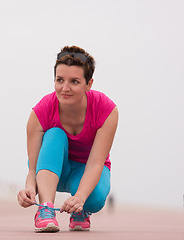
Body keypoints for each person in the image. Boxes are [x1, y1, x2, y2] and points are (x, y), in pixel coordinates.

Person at [17, 45, 118, 232]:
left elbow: (96, 163)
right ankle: (46, 210)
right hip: (53, 169)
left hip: (86, 170)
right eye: (59, 80)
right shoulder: (41, 111)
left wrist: (80, 197)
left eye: (74, 82)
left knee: (94, 200)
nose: (65, 88)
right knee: (54, 133)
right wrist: (29, 188)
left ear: (89, 84)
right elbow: (33, 166)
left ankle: (80, 211)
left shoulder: (106, 109)